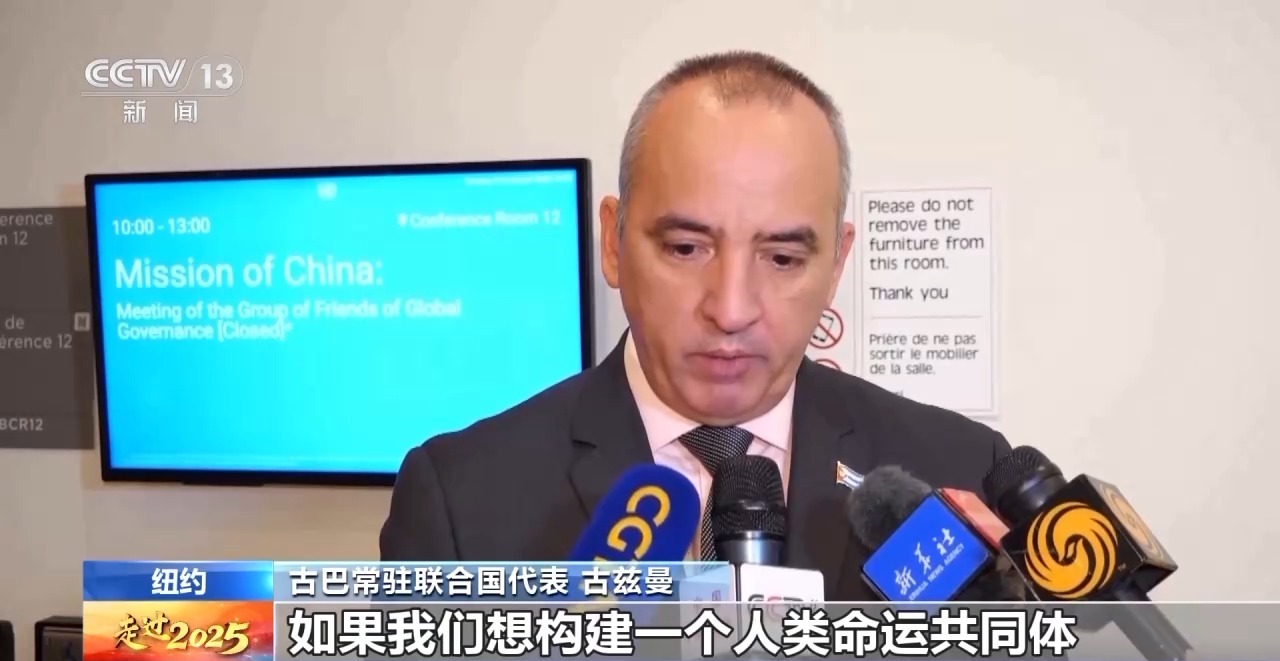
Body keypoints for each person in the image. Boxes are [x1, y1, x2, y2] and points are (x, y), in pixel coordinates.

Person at [380, 50, 1010, 600]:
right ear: (613, 242)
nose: (731, 310)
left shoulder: (957, 472)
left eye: (782, 259)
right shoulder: (460, 500)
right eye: (686, 248)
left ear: (836, 264)